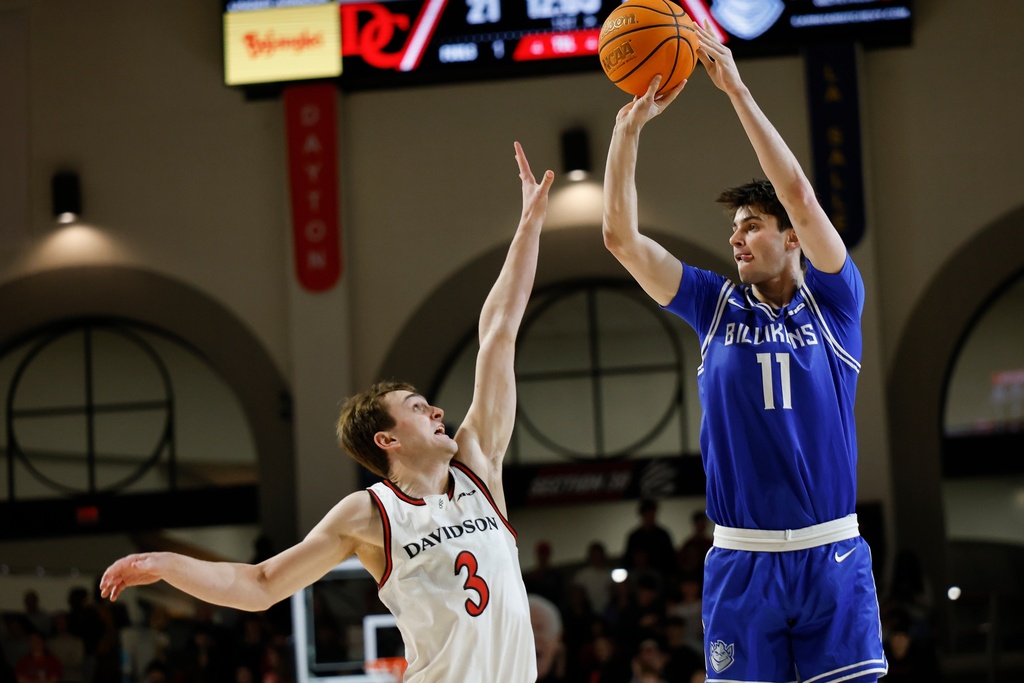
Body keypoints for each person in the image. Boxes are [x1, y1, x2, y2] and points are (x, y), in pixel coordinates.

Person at [98, 142, 555, 683]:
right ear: (387, 440)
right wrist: (166, 564)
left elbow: (498, 335)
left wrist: (529, 226)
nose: (436, 410)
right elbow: (261, 584)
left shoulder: (479, 465)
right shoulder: (368, 515)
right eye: (415, 407)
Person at [601, 20, 887, 683]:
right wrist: (627, 131)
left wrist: (734, 89)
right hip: (741, 561)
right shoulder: (712, 304)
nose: (735, 239)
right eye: (732, 230)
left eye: (751, 226)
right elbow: (620, 238)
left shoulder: (837, 303)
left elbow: (800, 194)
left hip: (831, 553)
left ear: (792, 238)